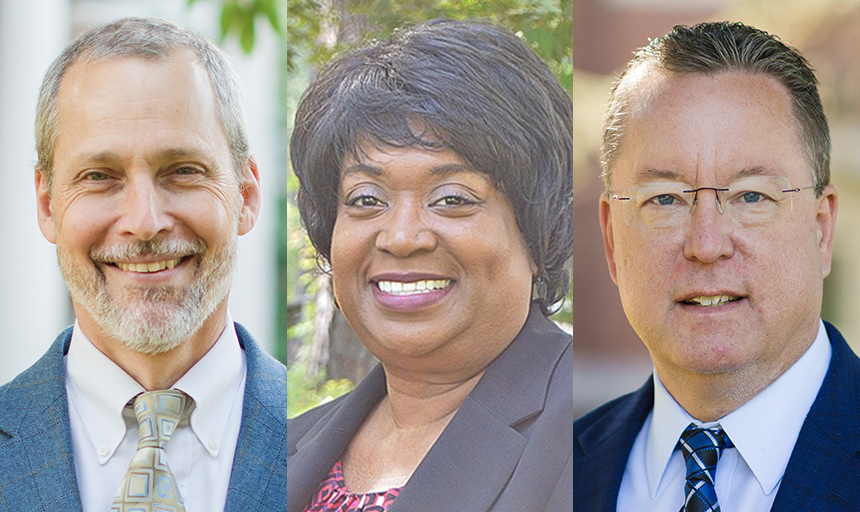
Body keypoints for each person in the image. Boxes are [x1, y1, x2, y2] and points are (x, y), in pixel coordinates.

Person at [0, 17, 287, 512]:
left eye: (182, 171)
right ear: (48, 206)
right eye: (99, 176)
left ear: (246, 193)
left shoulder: (327, 436)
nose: (144, 222)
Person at [287, 19, 573, 511]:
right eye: (366, 198)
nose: (401, 237)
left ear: (538, 228)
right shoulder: (287, 445)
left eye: (452, 198)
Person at [571, 21, 856, 510]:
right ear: (612, 238)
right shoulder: (560, 474)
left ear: (821, 228)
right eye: (664, 199)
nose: (706, 244)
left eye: (751, 196)